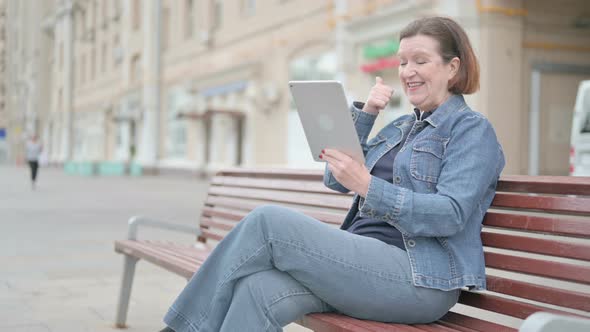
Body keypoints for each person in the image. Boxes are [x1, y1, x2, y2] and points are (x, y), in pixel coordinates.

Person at [160, 16, 505, 332]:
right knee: (257, 289)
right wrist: (367, 113)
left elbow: (451, 214)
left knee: (267, 223)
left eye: (420, 61)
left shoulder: (471, 130)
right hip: (362, 265)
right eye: (402, 62)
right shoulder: (400, 127)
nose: (407, 71)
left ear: (452, 67)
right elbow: (336, 179)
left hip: (420, 278)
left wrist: (369, 186)